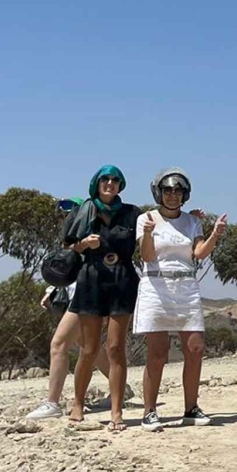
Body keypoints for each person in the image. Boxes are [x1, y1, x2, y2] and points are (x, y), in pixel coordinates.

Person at [134, 168, 229, 432]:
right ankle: (150, 411)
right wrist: (149, 233)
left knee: (195, 348)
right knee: (157, 353)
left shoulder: (192, 221)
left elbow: (199, 253)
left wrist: (215, 234)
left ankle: (191, 408)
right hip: (156, 286)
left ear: (184, 194)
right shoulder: (146, 218)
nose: (173, 195)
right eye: (168, 190)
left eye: (178, 190)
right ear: (159, 192)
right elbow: (147, 256)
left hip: (186, 286)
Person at [63, 165, 140, 432]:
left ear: (121, 184)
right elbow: (67, 245)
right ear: (96, 183)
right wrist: (84, 244)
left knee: (116, 348)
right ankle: (78, 404)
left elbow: (157, 227)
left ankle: (117, 412)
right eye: (105, 179)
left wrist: (191, 218)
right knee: (89, 349)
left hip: (122, 280)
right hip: (91, 279)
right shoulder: (83, 211)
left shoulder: (132, 213)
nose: (110, 183)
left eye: (115, 179)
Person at [26, 280, 113, 420]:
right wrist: (54, 288)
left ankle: (52, 403)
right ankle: (120, 387)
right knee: (87, 346)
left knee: (59, 345)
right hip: (82, 294)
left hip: (86, 294)